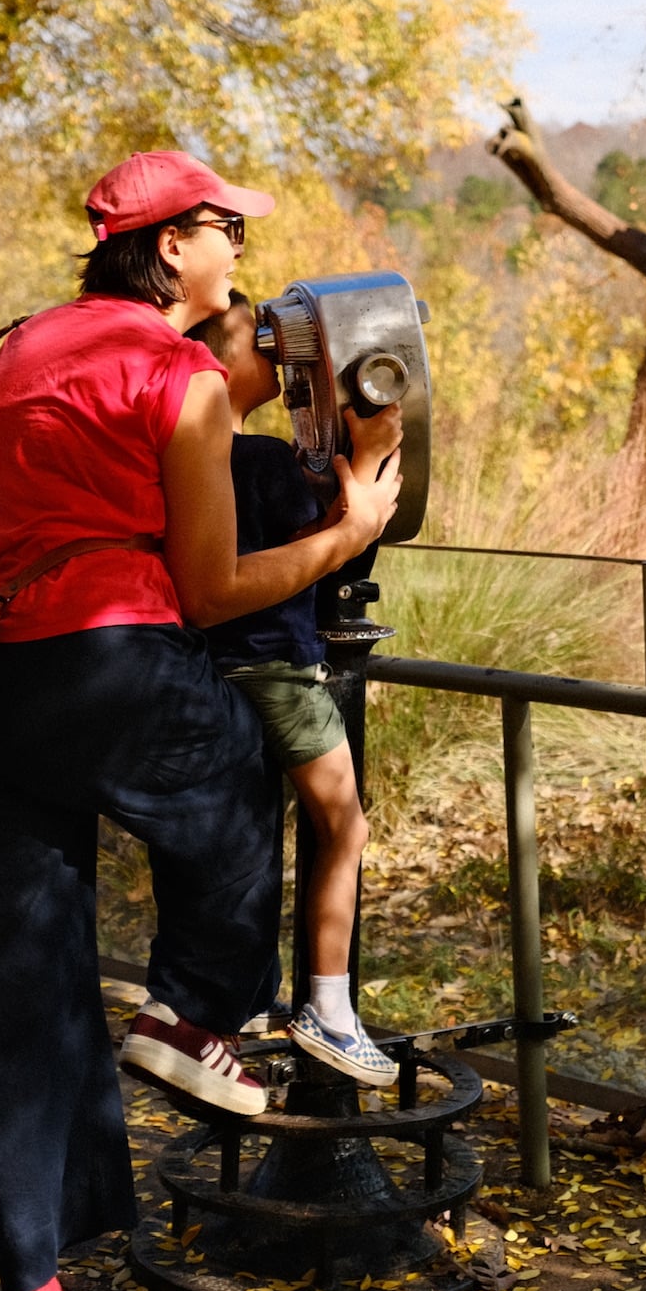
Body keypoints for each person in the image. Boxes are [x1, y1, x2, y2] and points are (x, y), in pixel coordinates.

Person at [0, 150, 402, 1291]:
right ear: (172, 246)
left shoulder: (27, 349)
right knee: (240, 781)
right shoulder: (174, 372)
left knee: (15, 1005)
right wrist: (349, 530)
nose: (240, 249)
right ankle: (187, 1015)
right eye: (227, 229)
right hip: (101, 660)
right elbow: (215, 588)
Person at [189, 292, 397, 1088]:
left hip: (209, 670)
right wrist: (372, 454)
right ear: (214, 363)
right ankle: (330, 1010)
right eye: (257, 339)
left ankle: (236, 1014)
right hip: (279, 667)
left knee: (254, 842)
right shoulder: (266, 462)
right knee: (345, 829)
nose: (277, 352)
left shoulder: (196, 461)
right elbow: (343, 542)